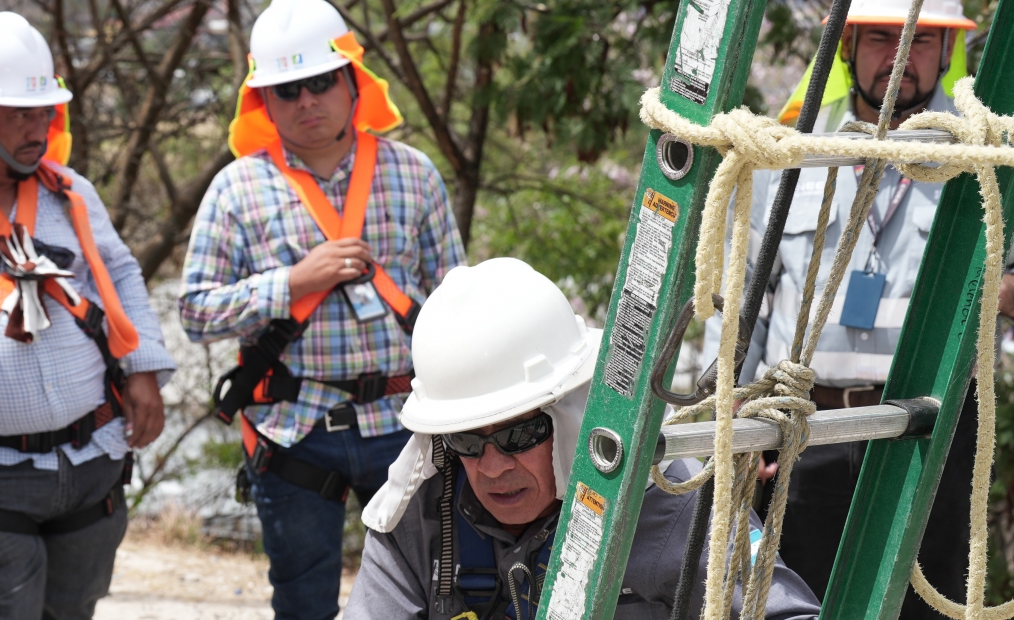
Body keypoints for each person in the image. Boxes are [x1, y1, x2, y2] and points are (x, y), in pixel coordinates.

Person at [703, 0, 996, 615]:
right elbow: (745, 300)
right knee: (794, 601)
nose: (899, 55)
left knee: (924, 605)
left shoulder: (985, 162)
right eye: (882, 37)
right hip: (804, 431)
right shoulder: (793, 149)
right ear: (846, 47)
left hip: (930, 428)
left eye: (921, 41)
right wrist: (736, 413)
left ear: (946, 55)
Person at [178, 0, 465, 617]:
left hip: (406, 420)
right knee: (303, 600)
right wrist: (291, 283)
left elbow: (454, 303)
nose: (307, 101)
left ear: (351, 81)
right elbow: (195, 312)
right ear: (263, 102)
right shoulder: (237, 188)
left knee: (438, 591)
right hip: (295, 432)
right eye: (286, 90)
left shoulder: (413, 175)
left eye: (320, 82)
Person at [346, 258, 820, 619]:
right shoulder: (419, 520)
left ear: (571, 415)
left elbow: (786, 611)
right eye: (466, 442)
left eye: (519, 434)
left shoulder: (671, 502)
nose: (491, 467)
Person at [0, 11, 175, 619]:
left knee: (72, 612)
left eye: (44, 112)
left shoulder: (70, 191)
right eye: (21, 113)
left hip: (93, 457)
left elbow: (120, 274)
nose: (39, 127)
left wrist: (143, 368)